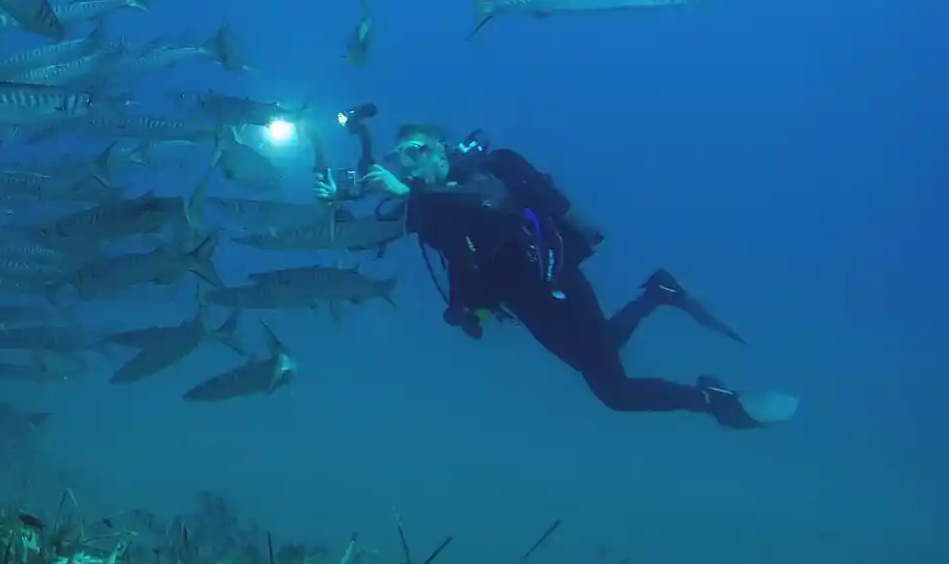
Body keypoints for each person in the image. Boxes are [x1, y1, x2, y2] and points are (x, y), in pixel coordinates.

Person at [318, 123, 795, 429]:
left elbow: (491, 204)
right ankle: (659, 292)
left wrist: (412, 190)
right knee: (603, 349)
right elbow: (452, 258)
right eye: (401, 155)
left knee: (615, 392)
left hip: (556, 284)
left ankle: (712, 400)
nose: (410, 160)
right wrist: (463, 308)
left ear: (441, 151)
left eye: (418, 150)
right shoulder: (425, 204)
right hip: (527, 305)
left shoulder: (476, 175)